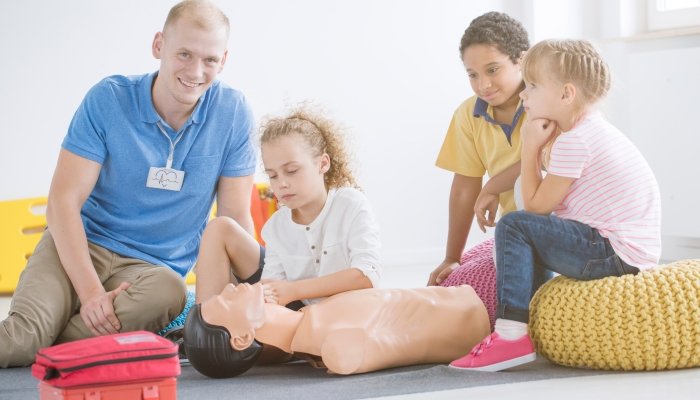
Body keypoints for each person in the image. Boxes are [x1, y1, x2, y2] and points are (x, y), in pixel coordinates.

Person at [0, 0, 257, 368]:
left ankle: (52, 337)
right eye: (184, 54)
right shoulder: (108, 99)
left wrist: (239, 304)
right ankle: (49, 336)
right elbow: (62, 202)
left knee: (170, 290)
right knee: (21, 340)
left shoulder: (233, 114)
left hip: (149, 274)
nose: (196, 71)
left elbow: (233, 219)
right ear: (159, 46)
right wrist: (90, 293)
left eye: (209, 60)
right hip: (80, 245)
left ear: (224, 60)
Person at [450, 39, 661, 372]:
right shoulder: (587, 130)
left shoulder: (574, 141)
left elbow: (534, 209)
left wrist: (529, 146)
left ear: (565, 95)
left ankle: (511, 334)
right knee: (527, 230)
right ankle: (527, 323)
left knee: (515, 224)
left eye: (532, 86)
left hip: (614, 252)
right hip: (625, 249)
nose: (523, 94)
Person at [194, 104, 381, 309]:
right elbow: (274, 291)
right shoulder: (276, 226)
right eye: (272, 175)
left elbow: (367, 276)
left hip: (351, 313)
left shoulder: (351, 204)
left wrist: (294, 290)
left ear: (323, 163)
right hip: (299, 315)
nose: (281, 184)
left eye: (291, 171)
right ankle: (205, 330)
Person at [184, 282, 490, 377]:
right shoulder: (334, 347)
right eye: (224, 301)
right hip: (485, 312)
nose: (226, 287)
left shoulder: (311, 319)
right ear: (242, 338)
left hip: (463, 289)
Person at [428, 12, 534, 286]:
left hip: (562, 222)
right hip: (515, 233)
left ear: (521, 60)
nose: (482, 84)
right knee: (455, 284)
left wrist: (494, 186)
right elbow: (465, 187)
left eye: (492, 70)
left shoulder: (547, 98)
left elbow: (549, 160)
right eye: (472, 74)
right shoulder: (467, 114)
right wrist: (452, 256)